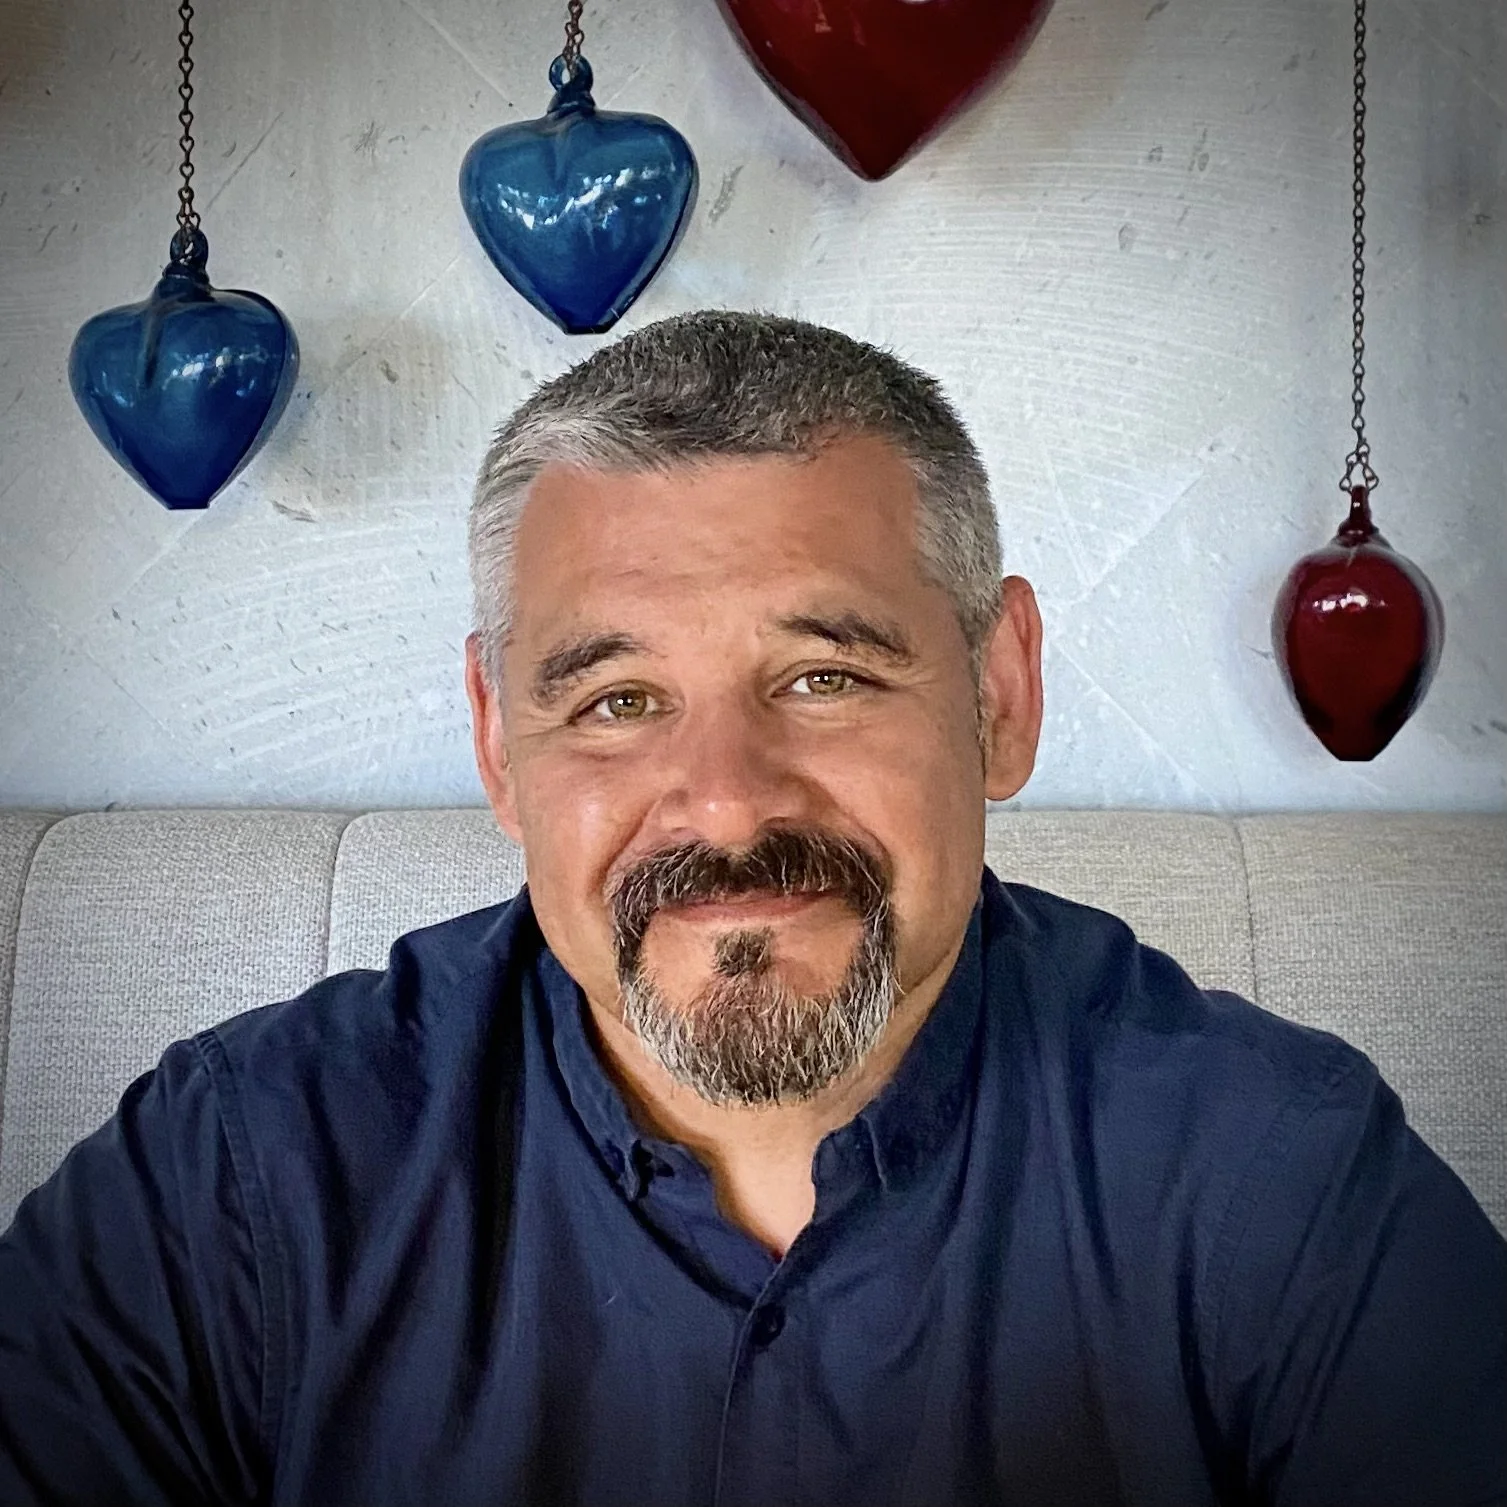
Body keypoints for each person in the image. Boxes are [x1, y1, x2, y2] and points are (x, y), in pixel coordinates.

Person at [1, 311, 1502, 1507]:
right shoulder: (237, 1182)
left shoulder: (1283, 1190)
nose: (724, 805)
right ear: (498, 745)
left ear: (998, 695)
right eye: (617, 699)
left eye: (824, 677)